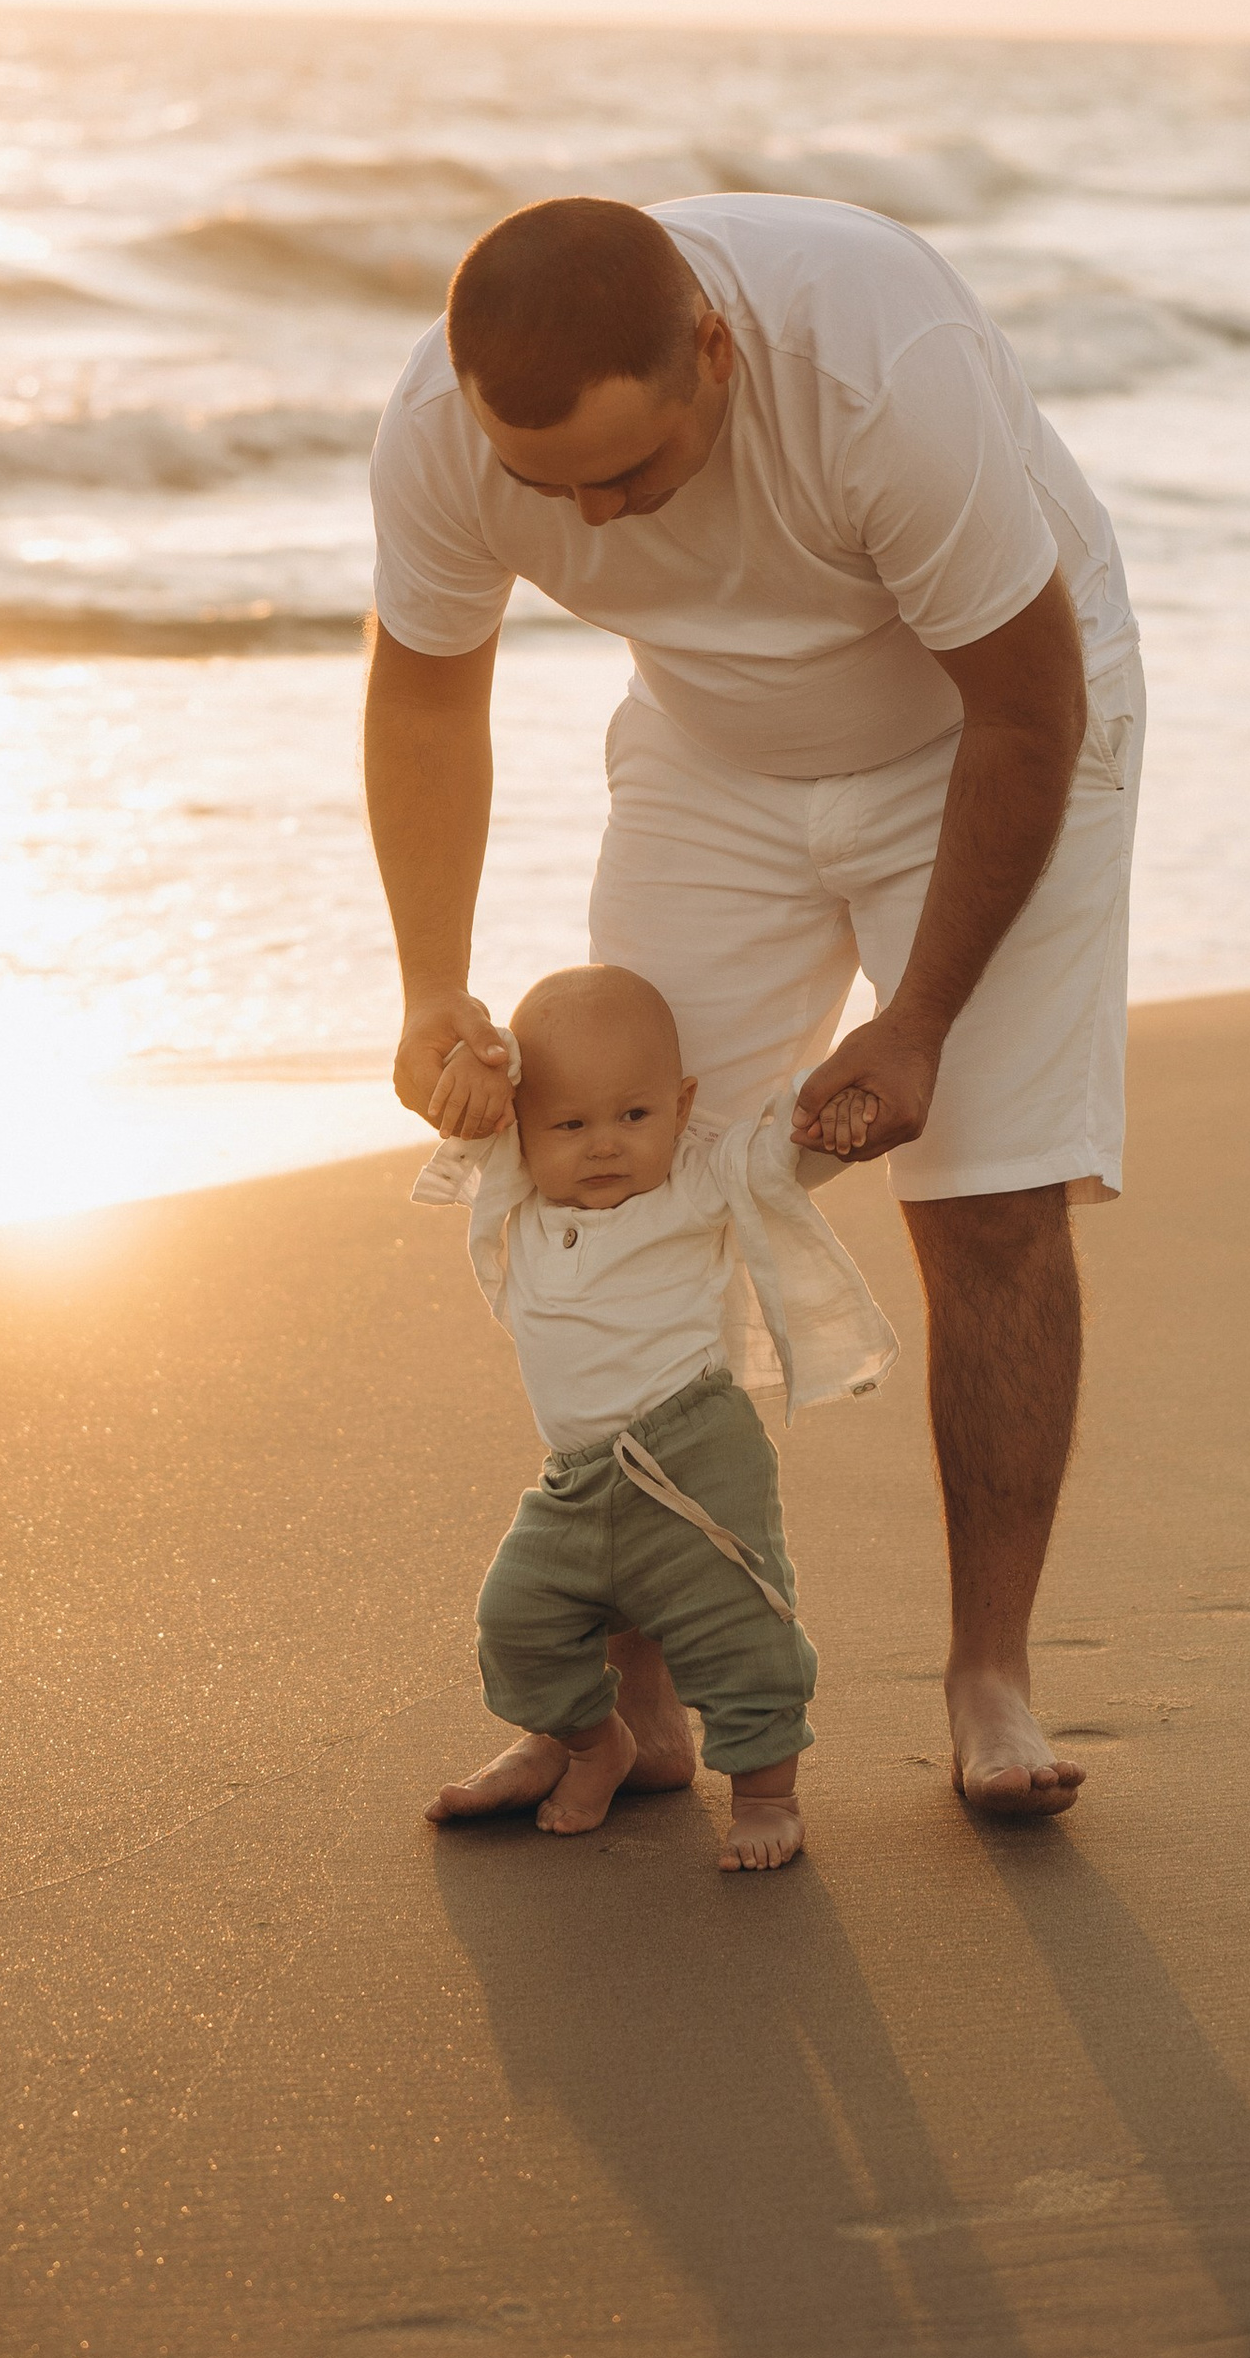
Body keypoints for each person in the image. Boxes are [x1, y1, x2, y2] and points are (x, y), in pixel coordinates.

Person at [365, 190, 1145, 1818]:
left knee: (987, 1194)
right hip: (713, 748)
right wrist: (431, 985)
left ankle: (990, 1679)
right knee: (612, 1168)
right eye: (551, 488)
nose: (597, 518)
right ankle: (631, 1708)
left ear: (714, 354)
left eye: (629, 471)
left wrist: (920, 1014)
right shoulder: (440, 429)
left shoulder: (875, 369)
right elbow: (429, 690)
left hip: (984, 730)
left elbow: (1027, 710)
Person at [418, 961, 896, 1872]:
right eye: (570, 1124)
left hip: (693, 1459)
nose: (604, 1144)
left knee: (741, 1631)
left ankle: (767, 1797)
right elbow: (466, 1108)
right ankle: (598, 1743)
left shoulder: (696, 1179)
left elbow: (784, 1150)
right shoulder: (520, 1191)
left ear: (680, 1108)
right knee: (515, 1623)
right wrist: (478, 1063)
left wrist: (839, 1119)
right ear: (522, 1127)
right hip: (574, 1485)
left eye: (633, 1116)